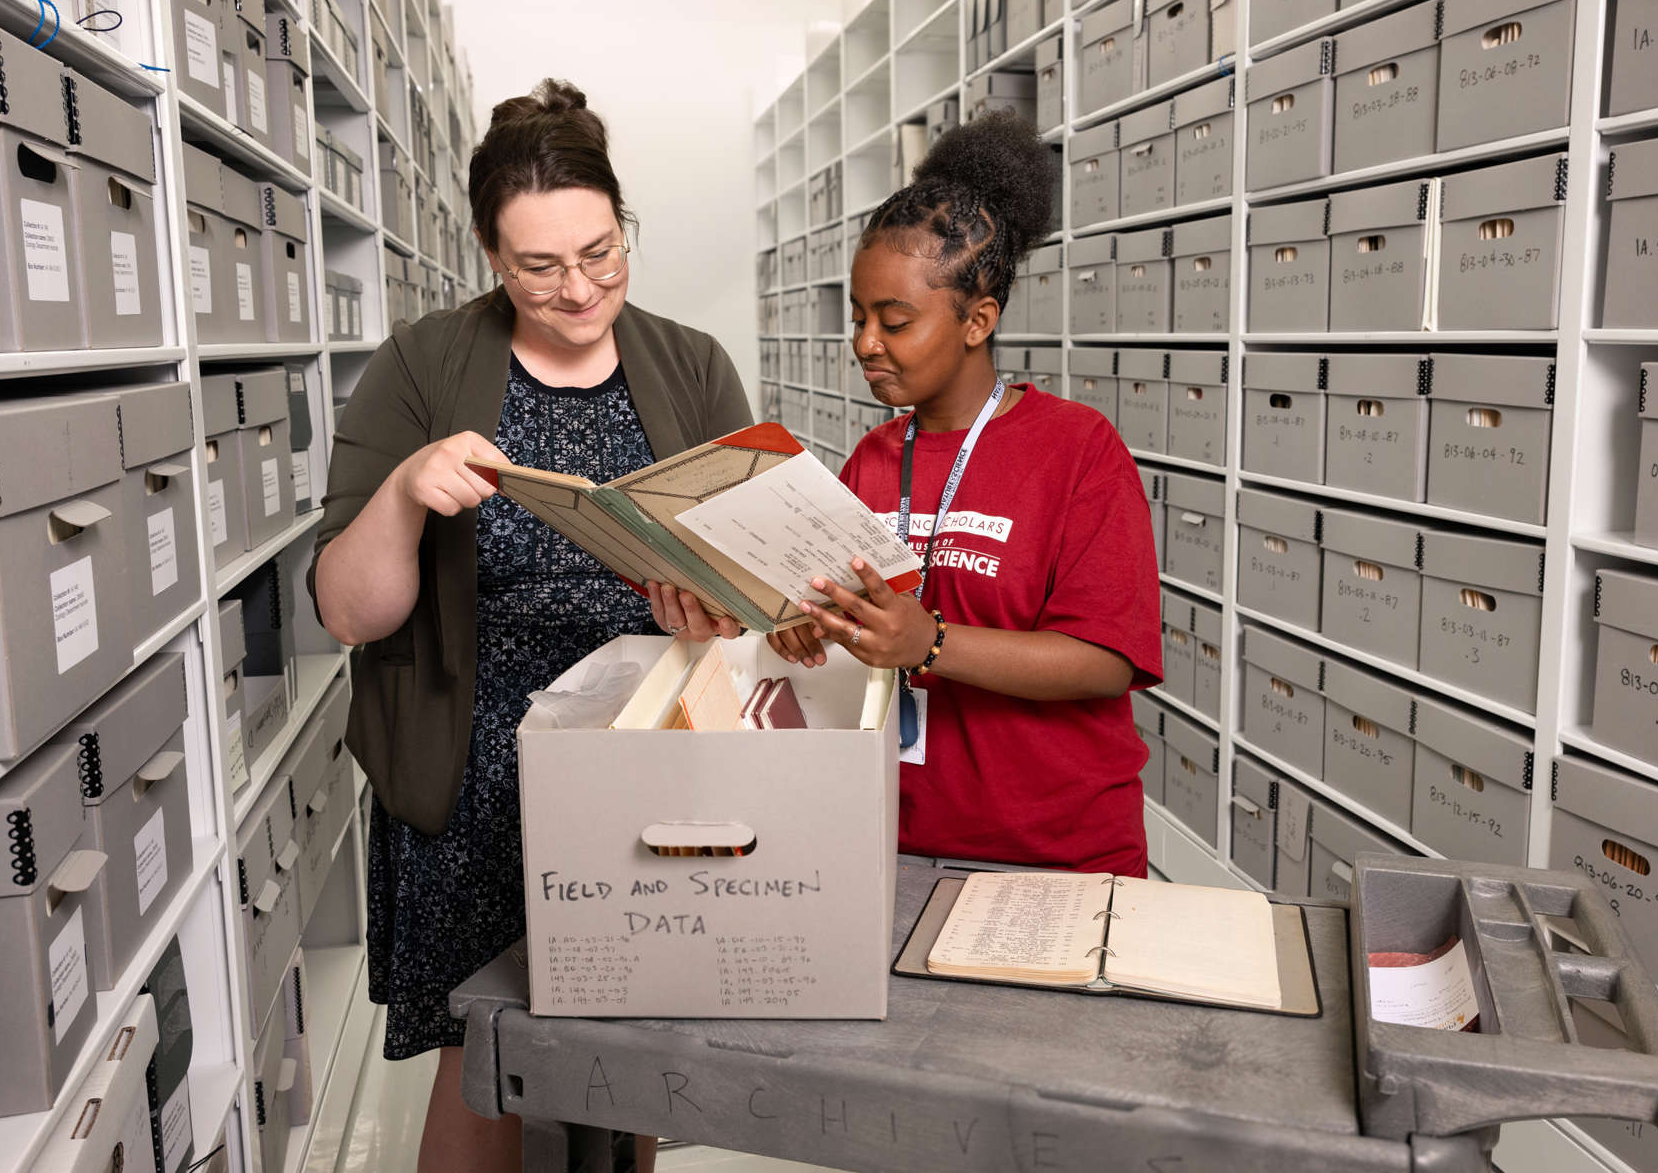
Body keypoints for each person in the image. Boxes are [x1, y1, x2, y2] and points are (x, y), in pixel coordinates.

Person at [310, 79, 750, 1173]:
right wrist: (407, 489)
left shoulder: (690, 363)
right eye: (540, 266)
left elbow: (753, 588)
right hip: (473, 783)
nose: (578, 288)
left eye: (601, 253)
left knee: (628, 1057)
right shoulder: (424, 363)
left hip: (644, 762)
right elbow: (347, 610)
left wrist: (716, 605)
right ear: (489, 255)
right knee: (486, 1068)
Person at [658, 111, 1163, 876]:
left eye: (894, 321)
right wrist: (804, 627)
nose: (865, 342)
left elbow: (1104, 662)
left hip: (1050, 849)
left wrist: (928, 643)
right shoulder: (873, 456)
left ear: (976, 321)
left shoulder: (1077, 450)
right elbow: (848, 623)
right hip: (890, 833)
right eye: (859, 318)